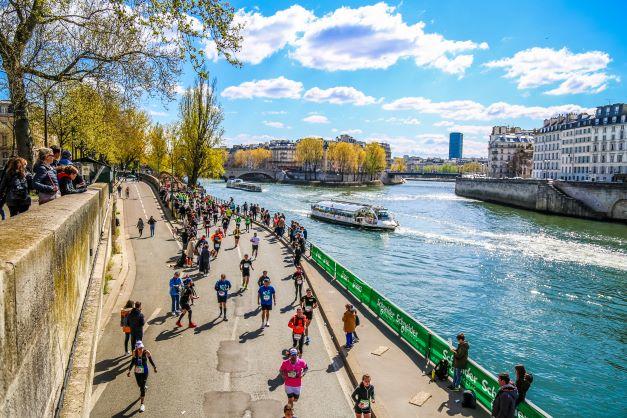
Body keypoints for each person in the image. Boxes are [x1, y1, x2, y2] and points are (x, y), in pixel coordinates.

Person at [127, 341, 157, 413]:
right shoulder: (134, 352)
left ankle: (142, 404)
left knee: (142, 387)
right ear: (136, 348)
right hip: (137, 371)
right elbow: (133, 362)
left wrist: (154, 367)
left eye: (141, 347)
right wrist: (129, 370)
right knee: (139, 385)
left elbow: (150, 360)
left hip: (145, 371)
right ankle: (143, 387)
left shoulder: (146, 352)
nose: (141, 349)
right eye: (139, 348)